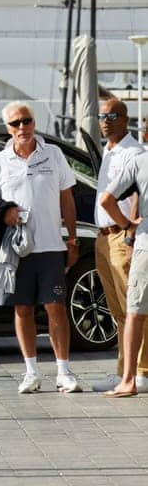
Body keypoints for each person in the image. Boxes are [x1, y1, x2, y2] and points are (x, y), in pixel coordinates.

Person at [0, 101, 81, 394]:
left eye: (26, 121)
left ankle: (63, 371)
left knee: (56, 307)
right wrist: (5, 213)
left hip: (51, 246)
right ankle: (31, 372)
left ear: (34, 122)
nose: (22, 128)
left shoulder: (54, 154)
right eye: (15, 124)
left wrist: (72, 239)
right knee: (23, 309)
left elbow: (67, 199)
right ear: (8, 128)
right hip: (17, 249)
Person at [93, 98, 148, 393]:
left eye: (112, 116)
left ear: (125, 119)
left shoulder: (134, 152)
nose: (105, 121)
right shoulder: (109, 150)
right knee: (118, 310)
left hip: (122, 236)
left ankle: (141, 371)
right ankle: (123, 369)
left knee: (136, 307)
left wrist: (129, 231)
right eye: (102, 116)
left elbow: (138, 195)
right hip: (104, 235)